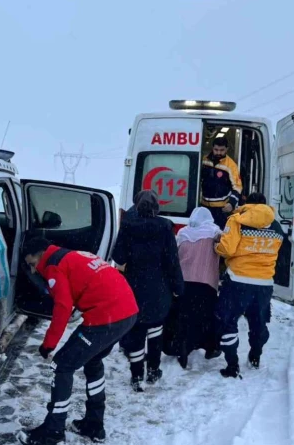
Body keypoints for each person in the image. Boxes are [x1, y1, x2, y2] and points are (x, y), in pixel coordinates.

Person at [18, 238, 138, 445]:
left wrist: (48, 345)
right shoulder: (72, 255)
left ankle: (53, 432)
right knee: (92, 361)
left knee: (63, 366)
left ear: (42, 254)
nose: (34, 270)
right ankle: (94, 425)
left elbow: (62, 307)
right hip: (127, 312)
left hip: (106, 317)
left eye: (33, 264)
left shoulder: (54, 267)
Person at [112, 190, 184, 392]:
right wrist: (178, 287)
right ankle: (153, 370)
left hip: (134, 287)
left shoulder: (128, 226)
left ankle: (136, 376)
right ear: (156, 207)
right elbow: (173, 262)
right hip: (159, 289)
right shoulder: (165, 227)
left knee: (136, 332)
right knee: (155, 331)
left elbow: (118, 257)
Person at [214, 193, 284, 379]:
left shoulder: (237, 220)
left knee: (228, 321)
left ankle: (232, 365)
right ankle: (255, 355)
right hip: (264, 283)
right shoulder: (276, 226)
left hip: (238, 280)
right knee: (258, 322)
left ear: (247, 205)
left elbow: (227, 249)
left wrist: (216, 247)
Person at [169, 207, 223, 369]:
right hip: (206, 282)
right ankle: (210, 347)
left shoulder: (183, 233)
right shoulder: (215, 232)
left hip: (185, 281)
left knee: (184, 317)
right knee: (206, 317)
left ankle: (182, 347)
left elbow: (175, 255)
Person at [201, 137, 243, 228]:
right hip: (204, 206)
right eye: (216, 150)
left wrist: (231, 203)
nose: (218, 152)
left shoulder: (231, 166)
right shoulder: (204, 160)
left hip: (221, 208)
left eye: (222, 150)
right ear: (212, 148)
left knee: (219, 235)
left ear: (227, 149)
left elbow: (237, 187)